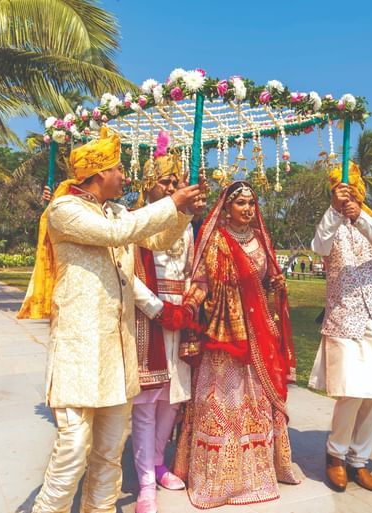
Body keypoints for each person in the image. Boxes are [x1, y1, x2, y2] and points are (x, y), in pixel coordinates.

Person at [18, 126, 206, 513]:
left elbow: (158, 240)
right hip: (79, 348)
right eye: (119, 168)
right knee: (72, 448)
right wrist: (171, 202)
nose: (125, 176)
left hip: (117, 352)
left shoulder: (115, 210)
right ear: (100, 173)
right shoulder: (65, 210)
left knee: (108, 449)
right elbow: (117, 232)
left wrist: (183, 213)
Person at [173, 181, 301, 509]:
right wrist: (188, 306)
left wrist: (276, 284)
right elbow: (200, 281)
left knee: (257, 403)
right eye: (240, 203)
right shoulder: (216, 239)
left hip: (258, 335)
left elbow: (266, 279)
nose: (247, 209)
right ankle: (217, 477)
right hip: (224, 335)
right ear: (226, 207)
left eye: (251, 203)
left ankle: (260, 471)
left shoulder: (261, 240)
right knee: (224, 402)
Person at [309, 162, 372, 493]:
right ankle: (336, 456)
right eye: (342, 193)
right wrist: (335, 211)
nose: (347, 198)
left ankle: (359, 460)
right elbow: (319, 247)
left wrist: (359, 216)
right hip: (344, 316)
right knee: (351, 390)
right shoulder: (330, 224)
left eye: (352, 192)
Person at [129, 132, 196, 513]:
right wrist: (158, 309)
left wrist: (189, 301)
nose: (171, 187)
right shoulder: (135, 220)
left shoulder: (185, 224)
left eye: (175, 181)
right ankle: (145, 485)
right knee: (146, 402)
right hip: (147, 318)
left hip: (180, 316)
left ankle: (158, 461)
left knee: (173, 397)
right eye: (164, 181)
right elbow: (128, 275)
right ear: (147, 184)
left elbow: (191, 270)